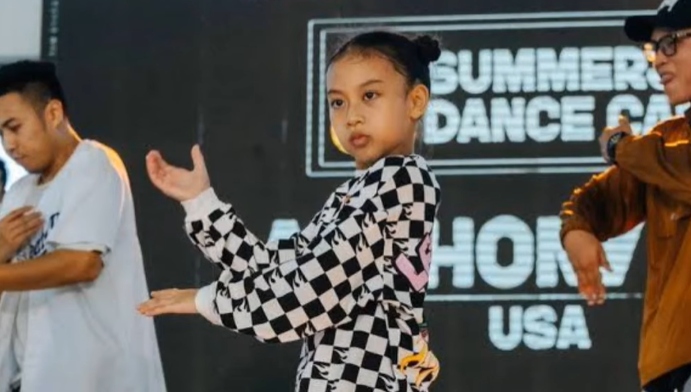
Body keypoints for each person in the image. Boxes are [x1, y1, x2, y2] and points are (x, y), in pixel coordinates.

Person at [138, 31, 443, 391]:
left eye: (370, 95)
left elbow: (308, 295)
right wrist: (201, 203)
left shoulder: (403, 179)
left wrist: (206, 300)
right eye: (337, 102)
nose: (352, 116)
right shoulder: (357, 192)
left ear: (416, 101)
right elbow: (279, 269)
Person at [560, 0, 691, 391]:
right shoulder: (668, 139)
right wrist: (576, 231)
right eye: (653, 48)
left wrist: (621, 148)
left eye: (671, 44)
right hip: (671, 364)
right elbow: (594, 202)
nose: (658, 61)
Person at [0, 60, 166, 392]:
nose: (9, 145)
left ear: (53, 113)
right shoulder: (19, 193)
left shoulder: (94, 162)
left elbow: (81, 262)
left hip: (98, 379)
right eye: (1, 133)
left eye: (14, 127)